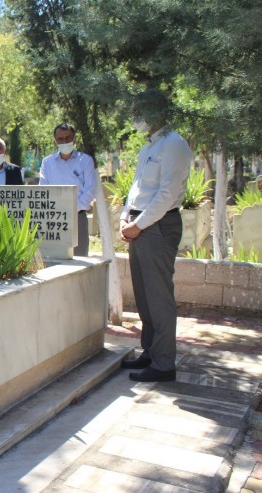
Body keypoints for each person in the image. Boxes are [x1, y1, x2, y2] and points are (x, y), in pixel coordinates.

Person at [119, 89, 192, 383]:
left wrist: (139, 224)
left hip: (157, 226)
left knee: (159, 296)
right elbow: (136, 188)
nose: (137, 115)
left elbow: (167, 194)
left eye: (142, 109)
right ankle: (150, 350)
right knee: (144, 295)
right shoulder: (148, 146)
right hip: (140, 225)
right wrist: (126, 216)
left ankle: (164, 364)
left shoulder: (174, 144)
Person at [38, 124, 97, 256]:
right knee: (53, 259)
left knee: (80, 259)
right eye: (60, 139)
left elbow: (90, 190)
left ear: (74, 139)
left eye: (68, 138)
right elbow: (43, 188)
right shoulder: (47, 162)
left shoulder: (86, 161)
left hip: (78, 217)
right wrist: (58, 210)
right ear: (55, 141)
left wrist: (70, 209)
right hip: (53, 219)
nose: (64, 142)